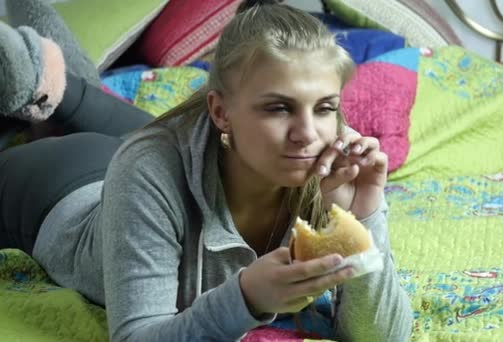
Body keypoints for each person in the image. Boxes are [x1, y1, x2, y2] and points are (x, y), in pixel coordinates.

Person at [0, 0, 413, 340]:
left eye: (325, 106)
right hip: (59, 189)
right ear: (221, 110)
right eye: (278, 107)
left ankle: (42, 66)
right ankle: (33, 74)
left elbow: (382, 336)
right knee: (64, 105)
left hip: (180, 155)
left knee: (83, 98)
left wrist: (365, 216)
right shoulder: (149, 166)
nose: (307, 134)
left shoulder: (334, 157)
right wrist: (246, 298)